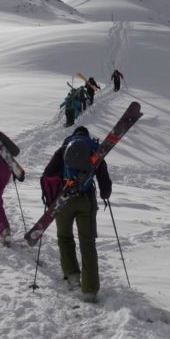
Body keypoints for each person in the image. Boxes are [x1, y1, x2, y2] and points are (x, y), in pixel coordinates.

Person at [41, 126, 112, 302]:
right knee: (87, 243)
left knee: (64, 236)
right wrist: (105, 194)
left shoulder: (63, 149)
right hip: (85, 201)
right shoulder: (95, 151)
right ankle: (90, 289)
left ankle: (72, 276)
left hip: (63, 201)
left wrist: (51, 198)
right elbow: (104, 179)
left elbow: (47, 174)